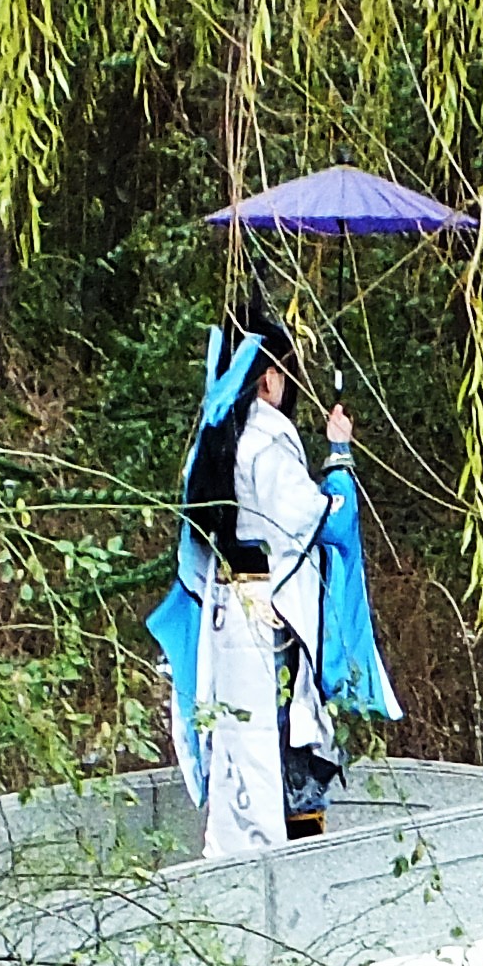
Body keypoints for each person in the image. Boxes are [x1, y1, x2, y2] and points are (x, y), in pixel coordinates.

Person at [151, 320, 400, 857]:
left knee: (239, 742)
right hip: (271, 614)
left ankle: (238, 846)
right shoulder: (265, 442)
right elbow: (323, 519)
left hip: (227, 611)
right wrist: (339, 456)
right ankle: (296, 855)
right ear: (268, 378)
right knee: (289, 736)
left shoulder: (213, 441)